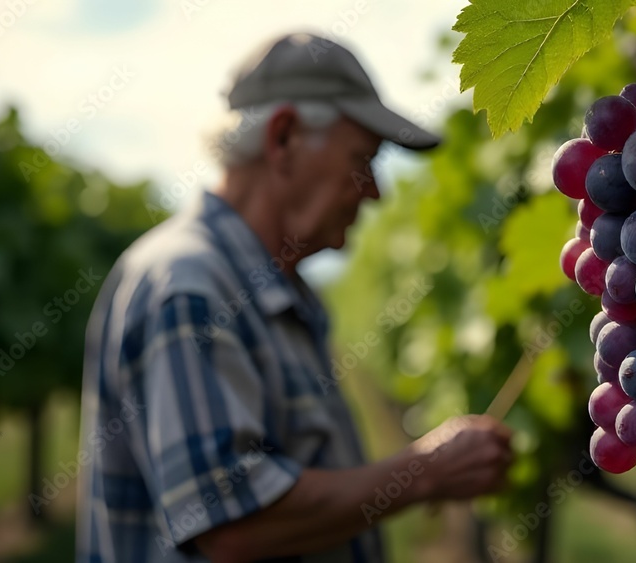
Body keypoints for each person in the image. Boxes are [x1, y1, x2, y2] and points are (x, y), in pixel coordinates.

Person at [77, 32, 514, 563]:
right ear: (283, 138)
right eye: (363, 159)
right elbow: (231, 525)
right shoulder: (189, 286)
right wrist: (426, 471)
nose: (375, 191)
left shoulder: (273, 289)